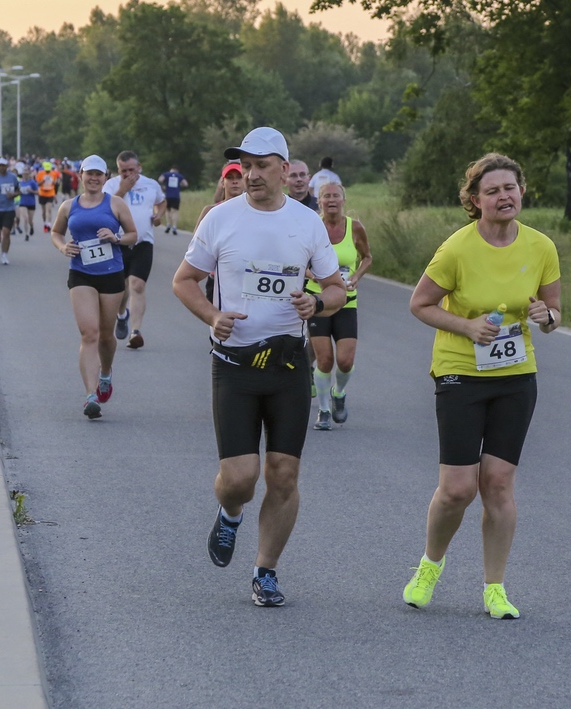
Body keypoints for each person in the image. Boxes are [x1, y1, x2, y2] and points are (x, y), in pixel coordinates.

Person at [172, 127, 347, 607]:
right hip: (235, 364)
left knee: (283, 474)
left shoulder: (306, 222)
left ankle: (265, 571)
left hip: (288, 365)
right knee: (239, 479)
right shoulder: (220, 218)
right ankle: (230, 514)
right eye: (245, 166)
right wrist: (212, 316)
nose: (251, 174)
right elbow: (184, 280)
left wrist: (317, 303)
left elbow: (336, 287)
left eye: (261, 165)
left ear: (284, 170)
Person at [401, 153, 560, 619]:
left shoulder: (541, 247)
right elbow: (420, 304)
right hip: (460, 373)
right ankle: (430, 565)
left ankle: (495, 588)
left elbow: (553, 312)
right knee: (457, 489)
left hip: (515, 376)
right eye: (492, 191)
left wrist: (547, 316)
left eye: (510, 188)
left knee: (498, 484)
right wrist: (467, 326)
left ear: (521, 191)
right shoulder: (456, 249)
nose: (503, 196)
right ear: (475, 200)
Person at [49, 155, 138, 420]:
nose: (94, 178)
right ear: (81, 175)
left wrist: (116, 237)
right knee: (89, 334)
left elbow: (133, 235)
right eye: (90, 174)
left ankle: (105, 374)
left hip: (111, 275)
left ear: (106, 177)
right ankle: (90, 396)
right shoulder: (69, 206)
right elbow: (56, 233)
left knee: (106, 336)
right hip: (81, 274)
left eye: (99, 174)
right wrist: (63, 246)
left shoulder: (116, 203)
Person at [306, 181, 372, 430]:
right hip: (319, 301)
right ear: (319, 201)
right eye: (326, 196)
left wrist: (356, 276)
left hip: (347, 301)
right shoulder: (312, 226)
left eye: (336, 196)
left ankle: (339, 392)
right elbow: (298, 258)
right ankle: (323, 411)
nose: (331, 200)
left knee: (345, 361)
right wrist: (312, 275)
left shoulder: (355, 227)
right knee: (324, 360)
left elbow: (367, 257)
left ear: (343, 200)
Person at [103, 151, 167, 349]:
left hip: (143, 242)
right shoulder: (111, 185)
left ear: (139, 167)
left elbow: (162, 202)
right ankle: (122, 314)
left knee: (137, 285)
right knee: (121, 288)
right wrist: (122, 189)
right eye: (123, 171)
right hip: (118, 242)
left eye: (131, 170)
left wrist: (158, 215)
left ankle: (135, 332)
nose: (128, 174)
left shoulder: (151, 184)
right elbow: (104, 208)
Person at [198, 162, 246, 303]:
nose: (235, 181)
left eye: (239, 177)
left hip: (246, 279)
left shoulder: (256, 212)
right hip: (218, 280)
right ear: (222, 182)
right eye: (229, 178)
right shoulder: (210, 211)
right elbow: (197, 246)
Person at [158, 165, 188, 234]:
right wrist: (180, 185)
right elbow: (185, 184)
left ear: (171, 169)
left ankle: (168, 224)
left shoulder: (166, 174)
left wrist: (163, 186)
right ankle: (174, 226)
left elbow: (160, 179)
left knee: (167, 210)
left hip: (168, 195)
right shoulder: (179, 176)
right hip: (176, 196)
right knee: (175, 211)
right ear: (177, 170)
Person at [37, 160, 61, 233]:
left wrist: (54, 182)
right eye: (46, 170)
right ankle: (45, 223)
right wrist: (43, 181)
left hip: (50, 194)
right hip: (42, 194)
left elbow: (55, 183)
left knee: (49, 210)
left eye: (48, 170)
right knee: (44, 212)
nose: (47, 171)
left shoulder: (53, 174)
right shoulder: (40, 173)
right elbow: (38, 184)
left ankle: (49, 224)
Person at [17, 165, 39, 240]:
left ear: (29, 174)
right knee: (25, 218)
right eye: (24, 173)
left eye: (26, 173)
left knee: (30, 220)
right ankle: (26, 234)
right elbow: (17, 192)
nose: (25, 175)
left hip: (31, 203)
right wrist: (19, 192)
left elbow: (38, 192)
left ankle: (32, 227)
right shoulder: (20, 183)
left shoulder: (32, 182)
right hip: (22, 203)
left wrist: (31, 191)